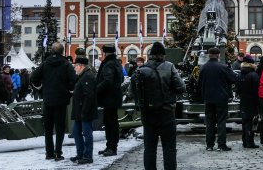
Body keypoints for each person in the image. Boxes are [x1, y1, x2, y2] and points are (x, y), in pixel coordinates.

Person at [132, 42, 185, 170]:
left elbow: (131, 90)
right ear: (162, 55)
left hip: (148, 114)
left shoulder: (141, 69)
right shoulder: (169, 67)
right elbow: (181, 87)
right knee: (169, 148)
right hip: (166, 112)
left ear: (151, 55)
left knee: (149, 148)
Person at [30, 42, 76, 161]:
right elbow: (73, 80)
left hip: (48, 99)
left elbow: (34, 78)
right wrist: (70, 92)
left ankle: (49, 153)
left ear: (52, 51)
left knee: (48, 128)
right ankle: (57, 153)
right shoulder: (66, 64)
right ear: (62, 52)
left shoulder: (45, 64)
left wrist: (41, 89)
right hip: (61, 100)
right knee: (60, 128)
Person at [198, 47, 237, 151]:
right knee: (221, 122)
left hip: (208, 99)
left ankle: (209, 145)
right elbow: (234, 79)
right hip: (221, 99)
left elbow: (199, 83)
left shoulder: (203, 68)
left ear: (209, 55)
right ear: (218, 55)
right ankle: (221, 145)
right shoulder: (223, 67)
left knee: (209, 122)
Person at [96, 44, 124, 157]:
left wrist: (96, 90)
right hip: (114, 97)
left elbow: (108, 81)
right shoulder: (116, 63)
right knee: (112, 122)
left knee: (110, 123)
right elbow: (121, 79)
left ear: (105, 53)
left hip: (109, 98)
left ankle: (112, 147)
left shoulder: (109, 64)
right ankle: (110, 146)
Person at [70, 53, 97, 165]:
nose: (74, 68)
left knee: (87, 133)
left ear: (80, 66)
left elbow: (89, 96)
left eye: (75, 66)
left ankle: (87, 156)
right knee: (76, 132)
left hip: (85, 111)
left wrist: (84, 112)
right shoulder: (83, 76)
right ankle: (80, 153)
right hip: (80, 111)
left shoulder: (87, 76)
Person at [236, 54, 260, 148]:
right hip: (252, 101)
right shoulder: (254, 75)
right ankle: (250, 142)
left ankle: (244, 141)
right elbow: (257, 90)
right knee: (250, 122)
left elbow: (237, 89)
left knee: (245, 121)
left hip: (243, 100)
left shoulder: (240, 74)